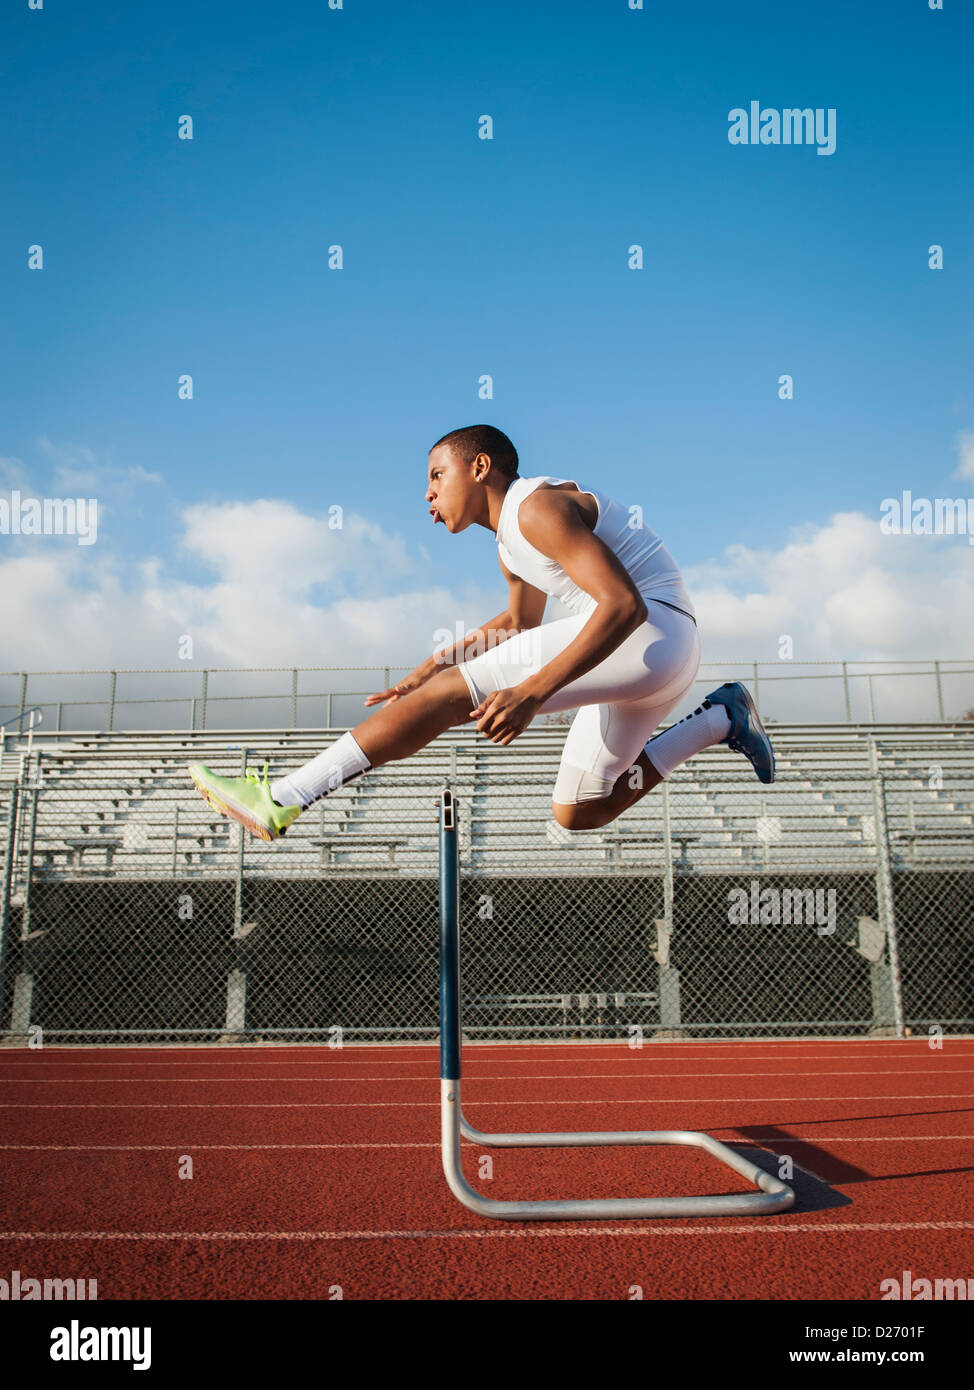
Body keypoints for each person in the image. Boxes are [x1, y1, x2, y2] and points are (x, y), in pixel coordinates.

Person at [188, 424, 774, 842]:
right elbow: (521, 624)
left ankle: (282, 798)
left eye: (436, 475)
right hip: (658, 663)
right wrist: (437, 662)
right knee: (578, 812)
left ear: (479, 467)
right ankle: (721, 718)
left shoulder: (534, 509)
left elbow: (623, 605)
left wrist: (533, 691)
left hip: (649, 632)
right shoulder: (510, 547)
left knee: (448, 700)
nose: (427, 493)